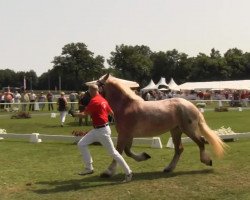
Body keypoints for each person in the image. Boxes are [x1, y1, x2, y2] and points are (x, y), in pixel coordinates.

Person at [72, 84, 133, 183]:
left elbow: (84, 115)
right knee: (81, 144)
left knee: (113, 153)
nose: (88, 93)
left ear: (91, 91)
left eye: (88, 91)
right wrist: (115, 121)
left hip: (101, 131)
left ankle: (128, 172)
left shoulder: (94, 101)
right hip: (99, 129)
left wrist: (74, 114)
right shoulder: (103, 99)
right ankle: (89, 168)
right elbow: (111, 112)